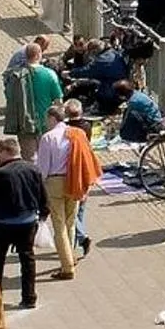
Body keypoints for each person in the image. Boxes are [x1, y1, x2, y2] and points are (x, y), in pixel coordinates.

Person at [0, 135, 46, 309]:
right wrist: (43, 214)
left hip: (5, 223)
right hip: (28, 221)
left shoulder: (0, 173)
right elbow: (42, 194)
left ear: (4, 152)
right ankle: (29, 297)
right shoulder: (33, 169)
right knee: (27, 259)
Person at [35, 103, 79, 279]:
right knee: (71, 222)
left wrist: (39, 186)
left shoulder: (48, 138)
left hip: (55, 182)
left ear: (52, 118)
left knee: (59, 226)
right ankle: (71, 255)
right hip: (74, 180)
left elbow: (43, 167)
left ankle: (67, 267)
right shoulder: (76, 134)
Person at [64, 101, 101, 261]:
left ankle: (81, 237)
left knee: (70, 213)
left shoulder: (67, 130)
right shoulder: (87, 126)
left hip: (74, 173)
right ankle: (75, 240)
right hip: (85, 171)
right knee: (80, 211)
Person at [117, 79, 163, 144]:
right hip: (156, 118)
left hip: (153, 124)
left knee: (131, 116)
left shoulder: (133, 101)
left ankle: (141, 137)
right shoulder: (136, 93)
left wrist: (121, 130)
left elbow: (127, 117)